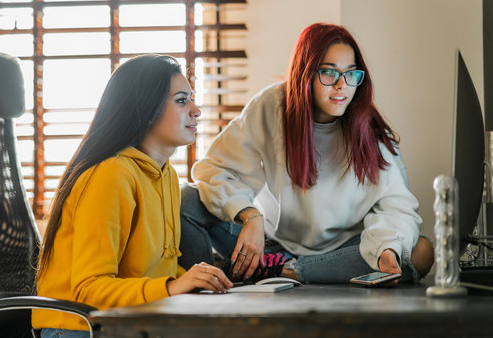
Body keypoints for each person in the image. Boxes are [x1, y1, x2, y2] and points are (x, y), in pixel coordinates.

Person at [178, 23, 434, 285]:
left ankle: (286, 272)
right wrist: (250, 215)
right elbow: (215, 169)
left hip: (341, 251)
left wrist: (387, 250)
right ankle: (210, 283)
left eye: (350, 74)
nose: (341, 86)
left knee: (421, 253)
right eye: (329, 73)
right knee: (187, 200)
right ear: (306, 73)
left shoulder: (370, 130)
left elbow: (398, 208)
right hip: (267, 246)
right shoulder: (272, 105)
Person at [33, 54, 232, 338]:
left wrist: (193, 280)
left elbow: (148, 269)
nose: (196, 110)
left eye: (192, 99)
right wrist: (172, 287)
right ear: (146, 109)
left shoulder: (166, 175)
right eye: (181, 100)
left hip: (128, 322)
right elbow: (88, 289)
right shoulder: (111, 174)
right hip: (78, 329)